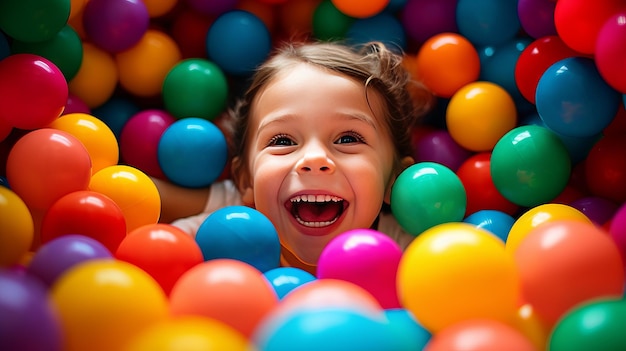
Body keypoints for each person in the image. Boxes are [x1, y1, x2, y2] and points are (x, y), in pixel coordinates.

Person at [154, 40, 435, 274]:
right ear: (245, 180)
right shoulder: (223, 232)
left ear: (394, 181)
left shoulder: (411, 255)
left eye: (348, 139)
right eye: (283, 141)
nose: (314, 158)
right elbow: (138, 203)